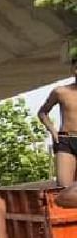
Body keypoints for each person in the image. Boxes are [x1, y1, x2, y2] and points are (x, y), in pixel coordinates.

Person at [36, 54, 77, 189]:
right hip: (66, 140)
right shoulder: (61, 91)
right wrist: (53, 131)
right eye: (76, 68)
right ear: (72, 69)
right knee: (64, 188)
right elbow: (42, 112)